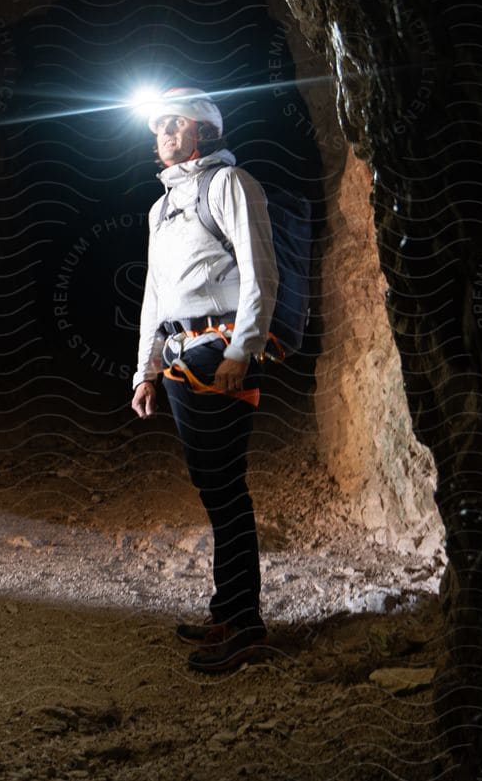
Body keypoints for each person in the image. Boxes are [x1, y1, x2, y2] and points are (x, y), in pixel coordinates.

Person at [130, 86, 278, 673]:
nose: (163, 134)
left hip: (220, 353)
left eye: (174, 123)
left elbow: (260, 274)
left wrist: (243, 349)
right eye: (157, 127)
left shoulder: (230, 186)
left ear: (204, 129)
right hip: (178, 358)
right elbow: (154, 295)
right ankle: (228, 611)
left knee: (226, 488)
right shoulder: (160, 206)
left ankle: (246, 625)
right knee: (213, 489)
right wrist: (143, 370)